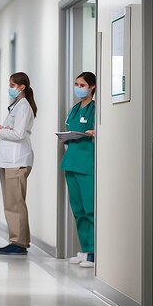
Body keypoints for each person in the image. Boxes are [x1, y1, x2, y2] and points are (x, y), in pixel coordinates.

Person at [0, 72, 37, 256]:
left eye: (12, 85)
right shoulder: (17, 106)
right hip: (9, 160)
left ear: (22, 87)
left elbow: (18, 134)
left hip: (16, 161)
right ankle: (17, 240)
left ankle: (19, 243)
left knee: (16, 203)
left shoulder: (24, 106)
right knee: (11, 203)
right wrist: (5, 129)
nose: (10, 88)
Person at [61, 72, 96, 268]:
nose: (78, 87)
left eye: (82, 84)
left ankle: (94, 252)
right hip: (71, 162)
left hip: (87, 163)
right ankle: (85, 249)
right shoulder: (74, 109)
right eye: (76, 84)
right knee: (78, 210)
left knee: (90, 209)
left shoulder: (95, 108)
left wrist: (95, 133)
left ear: (92, 87)